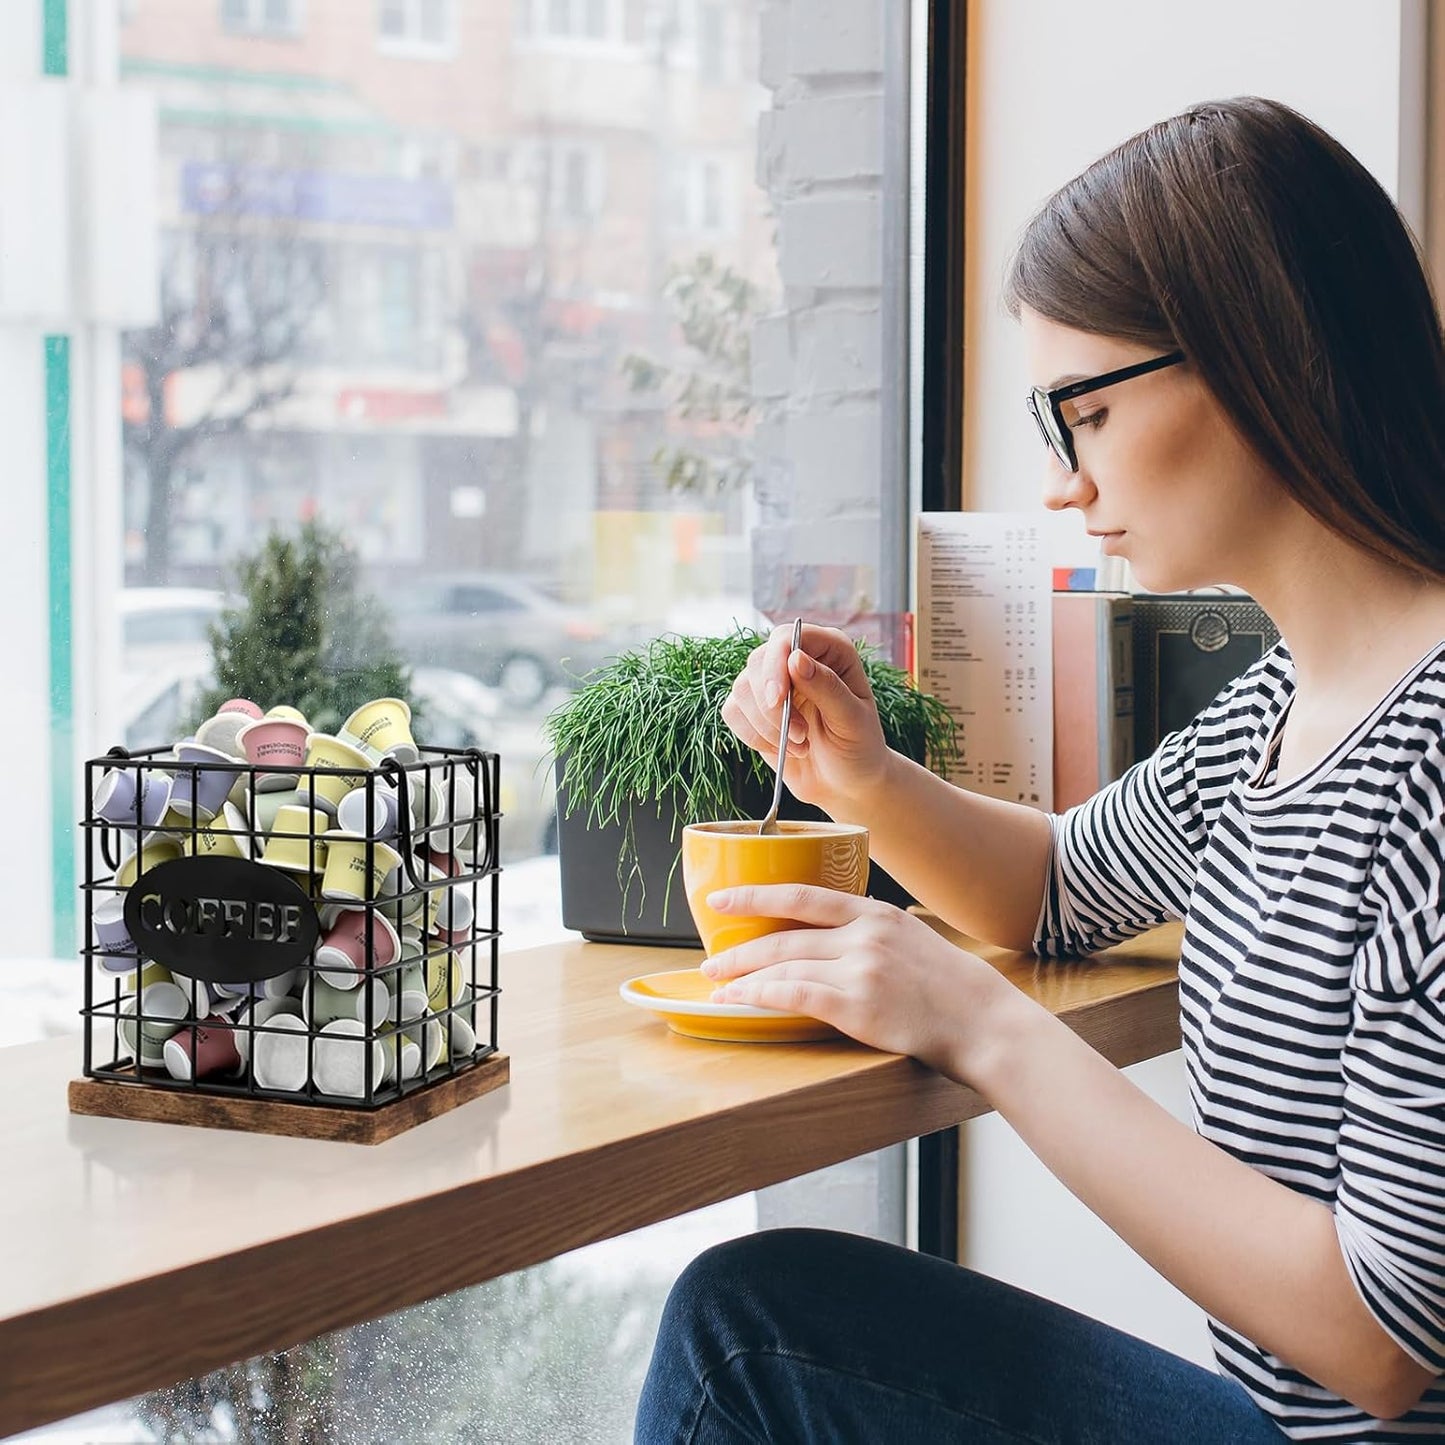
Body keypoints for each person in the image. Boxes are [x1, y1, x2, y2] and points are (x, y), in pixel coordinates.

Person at [633, 95, 1445, 1442]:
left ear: (1263, 358)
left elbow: (1375, 1336)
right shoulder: (1280, 707)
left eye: (1087, 409)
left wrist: (986, 1027)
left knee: (751, 1336)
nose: (1064, 479)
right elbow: (1056, 887)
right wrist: (869, 776)